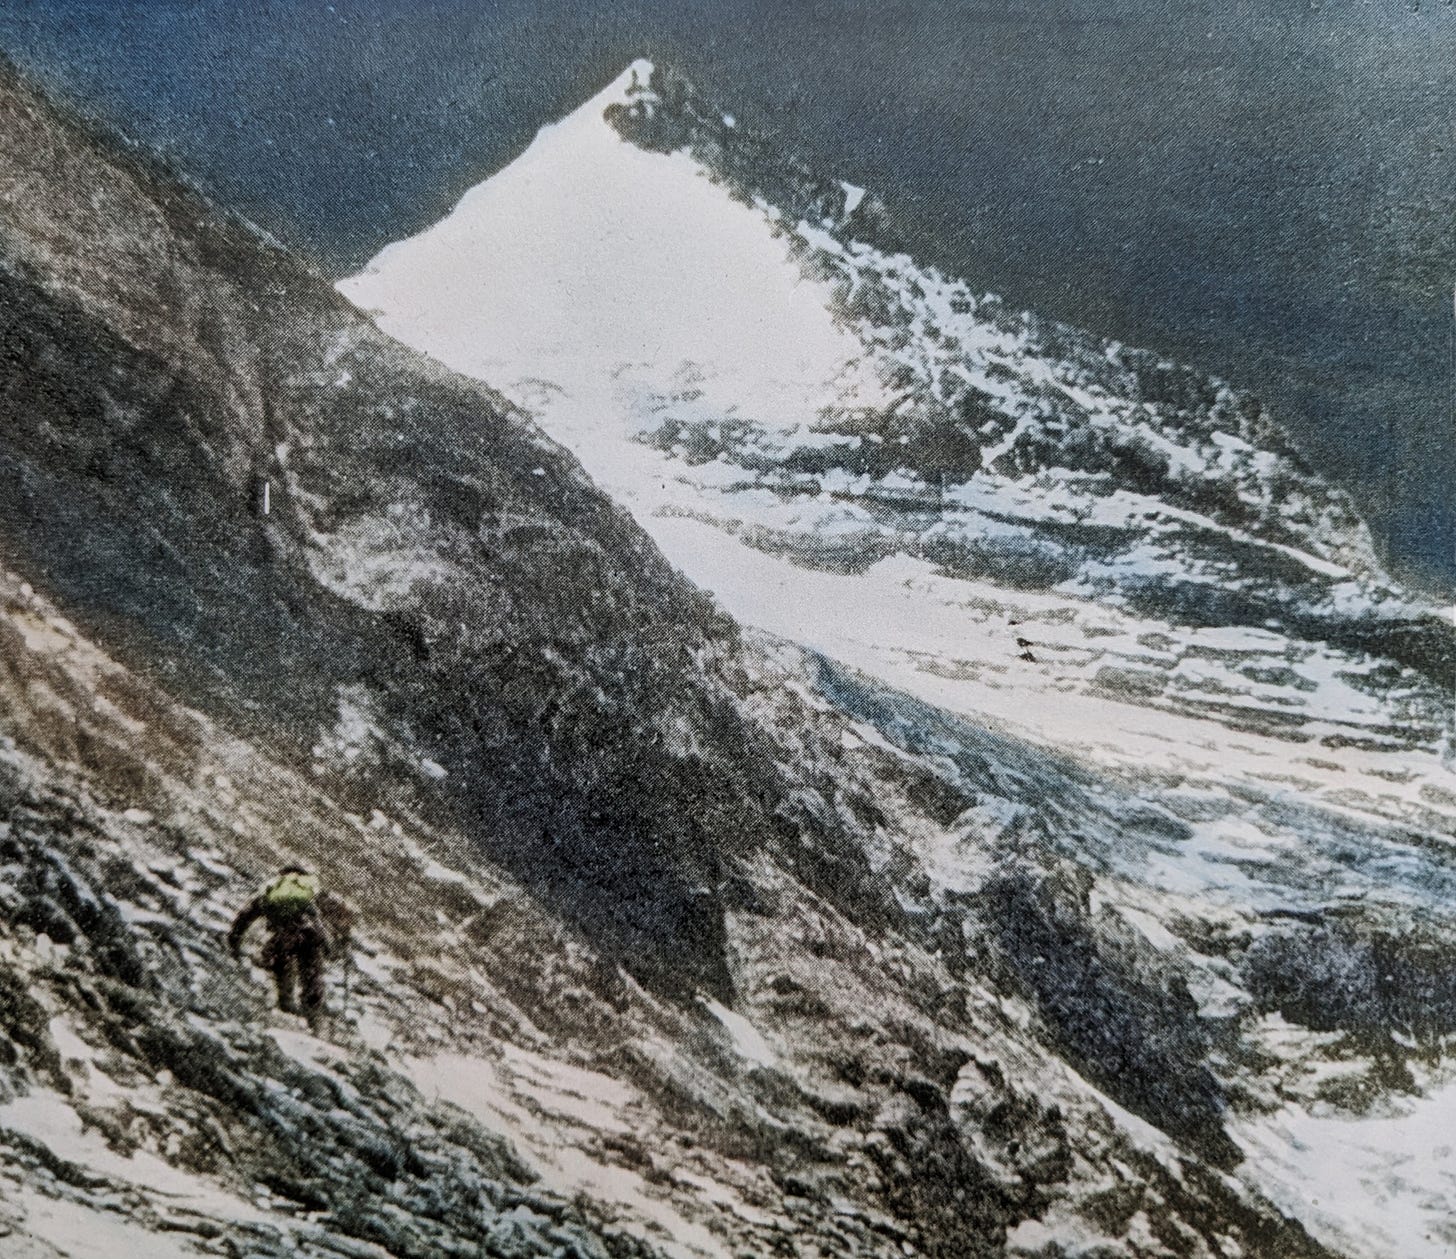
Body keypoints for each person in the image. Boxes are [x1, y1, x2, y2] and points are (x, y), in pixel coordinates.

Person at [228, 866, 353, 1027]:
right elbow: (327, 921)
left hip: (285, 937)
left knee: (281, 965)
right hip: (310, 938)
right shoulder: (309, 894)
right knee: (312, 978)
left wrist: (234, 941)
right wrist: (332, 947)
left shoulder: (273, 890)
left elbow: (245, 916)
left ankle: (285, 1005)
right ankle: (312, 1017)